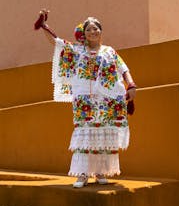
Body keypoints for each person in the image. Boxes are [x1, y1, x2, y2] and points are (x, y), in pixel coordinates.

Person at [34, 9, 137, 187]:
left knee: (103, 134)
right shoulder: (77, 50)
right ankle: (82, 175)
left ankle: (100, 172)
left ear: (101, 31)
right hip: (84, 100)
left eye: (96, 28)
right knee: (85, 133)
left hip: (107, 99)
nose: (93, 32)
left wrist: (131, 84)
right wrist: (44, 26)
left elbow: (123, 68)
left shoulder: (109, 51)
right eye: (89, 29)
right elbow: (57, 43)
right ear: (84, 34)